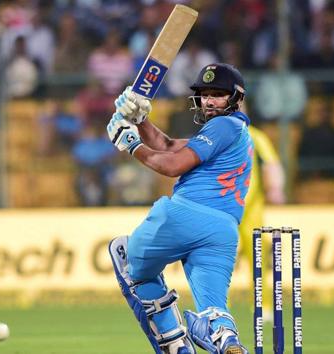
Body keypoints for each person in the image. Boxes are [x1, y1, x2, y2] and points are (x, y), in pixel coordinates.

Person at [107, 63, 252, 354]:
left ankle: (176, 344)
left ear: (235, 98)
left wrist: (131, 143)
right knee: (213, 307)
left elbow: (172, 166)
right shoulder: (235, 133)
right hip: (222, 232)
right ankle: (226, 339)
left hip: (184, 216)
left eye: (218, 95)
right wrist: (141, 120)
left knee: (127, 257)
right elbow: (169, 145)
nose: (209, 101)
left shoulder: (223, 125)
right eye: (205, 94)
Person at [238, 124, 286, 321]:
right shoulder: (216, 132)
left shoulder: (254, 134)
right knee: (219, 260)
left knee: (257, 257)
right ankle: (219, 307)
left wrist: (276, 188)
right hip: (225, 205)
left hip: (251, 207)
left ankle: (263, 305)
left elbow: (271, 163)